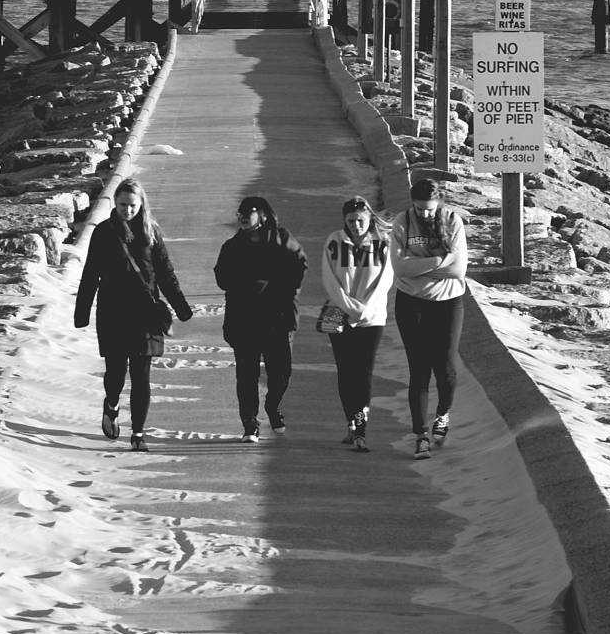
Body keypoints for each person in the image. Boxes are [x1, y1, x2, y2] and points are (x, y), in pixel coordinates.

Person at [75, 178, 194, 451]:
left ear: (141, 205)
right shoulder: (104, 232)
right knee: (115, 373)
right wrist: (81, 313)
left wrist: (181, 307)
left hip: (145, 314)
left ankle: (138, 434)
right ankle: (112, 403)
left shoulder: (151, 232)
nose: (127, 210)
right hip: (113, 313)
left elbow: (165, 273)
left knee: (141, 376)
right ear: (114, 204)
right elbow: (91, 275)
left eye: (132, 205)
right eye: (122, 205)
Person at [213, 195, 306, 442]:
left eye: (249, 212)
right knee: (246, 375)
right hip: (244, 319)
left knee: (281, 374)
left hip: (278, 317)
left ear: (262, 214)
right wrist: (246, 284)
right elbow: (221, 278)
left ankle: (273, 407)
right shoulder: (232, 247)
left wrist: (278, 288)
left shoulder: (282, 240)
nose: (243, 216)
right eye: (240, 213)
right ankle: (250, 424)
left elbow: (300, 267)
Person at [393, 174, 470, 458]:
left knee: (446, 366)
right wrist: (439, 261)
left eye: (429, 208)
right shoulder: (403, 221)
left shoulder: (453, 221)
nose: (424, 213)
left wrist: (419, 265)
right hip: (411, 303)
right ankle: (420, 435)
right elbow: (399, 269)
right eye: (419, 207)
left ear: (439, 203)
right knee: (419, 369)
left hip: (448, 302)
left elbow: (457, 271)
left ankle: (443, 414)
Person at [317, 194, 394, 450]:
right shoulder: (334, 242)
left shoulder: (383, 244)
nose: (355, 225)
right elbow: (330, 282)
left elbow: (384, 282)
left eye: (360, 220)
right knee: (346, 373)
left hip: (372, 319)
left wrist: (362, 311)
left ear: (369, 218)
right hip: (339, 316)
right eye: (350, 221)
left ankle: (361, 429)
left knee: (363, 374)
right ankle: (350, 422)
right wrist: (351, 309)